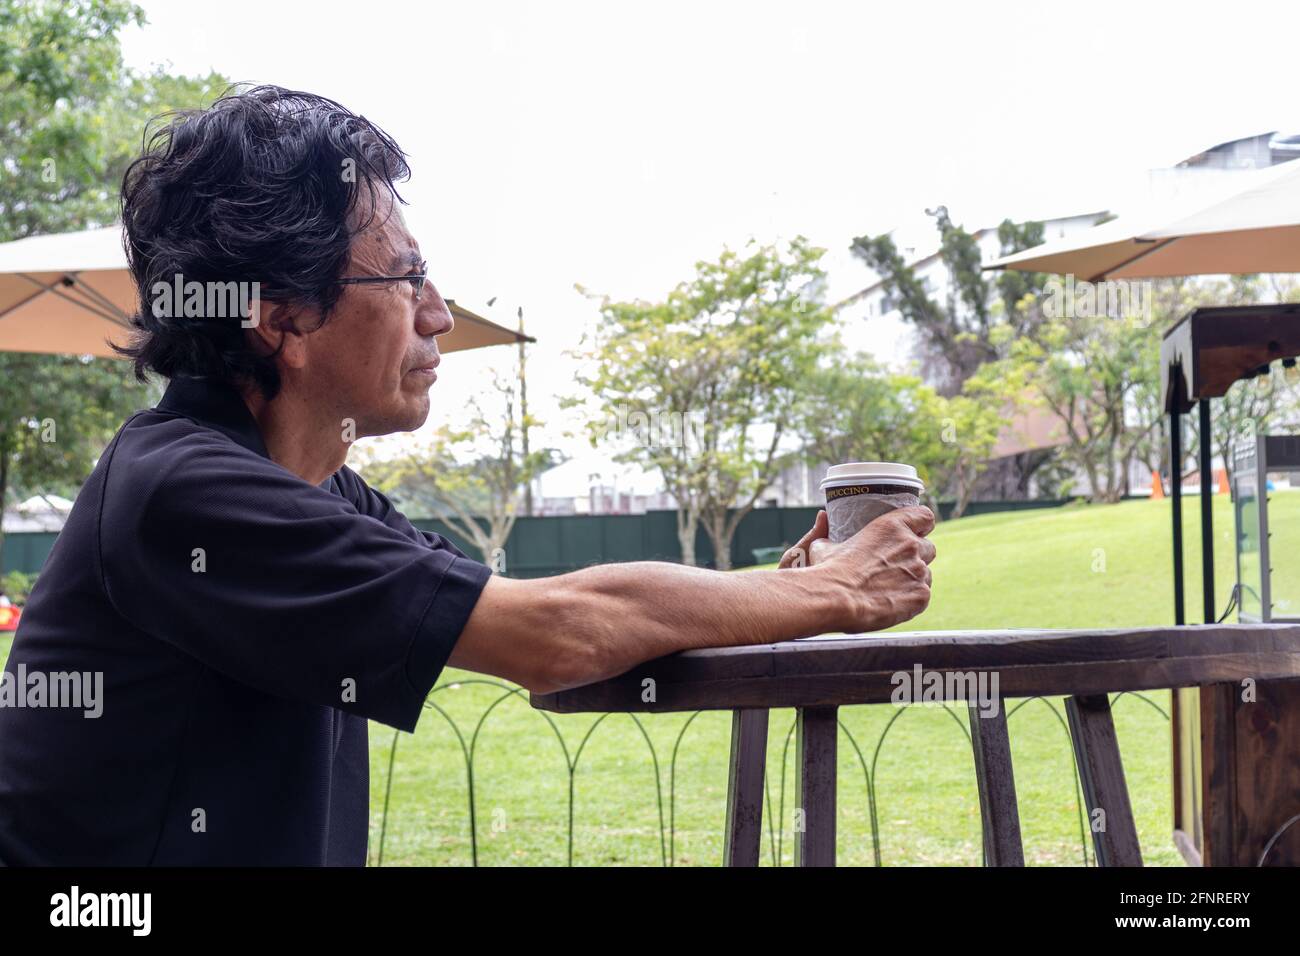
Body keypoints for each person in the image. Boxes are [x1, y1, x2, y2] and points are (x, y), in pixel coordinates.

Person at [0, 86, 934, 865]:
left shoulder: (311, 490)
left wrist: (777, 592)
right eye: (403, 283)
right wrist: (841, 595)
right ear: (281, 320)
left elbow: (534, 606)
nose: (439, 316)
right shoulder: (187, 494)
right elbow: (554, 638)